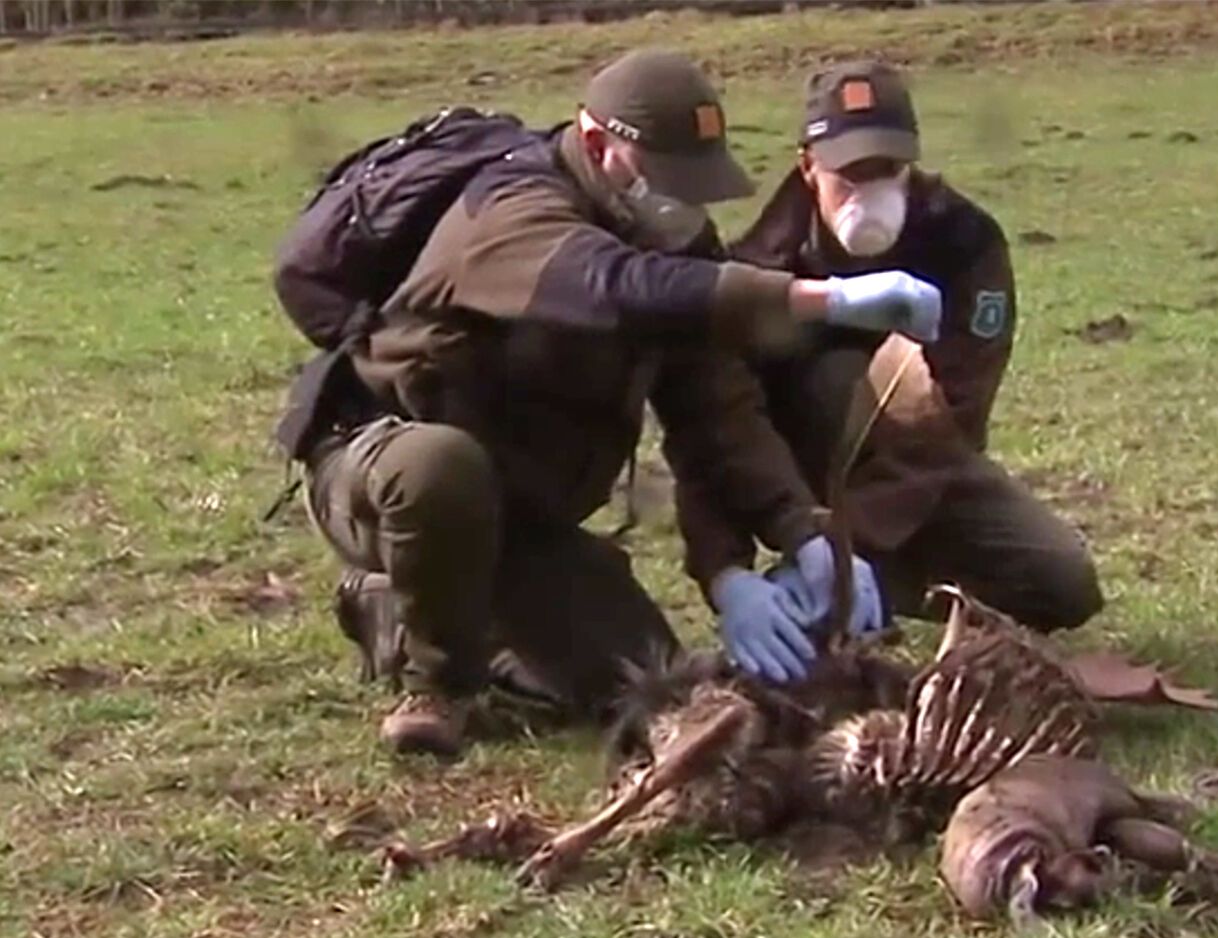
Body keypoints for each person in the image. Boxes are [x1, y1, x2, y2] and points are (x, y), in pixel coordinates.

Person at [285, 49, 938, 755]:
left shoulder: (670, 233)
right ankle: (438, 684)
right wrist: (821, 300)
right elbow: (613, 285)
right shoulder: (512, 211)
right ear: (599, 145)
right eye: (668, 179)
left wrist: (800, 534)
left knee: (648, 681)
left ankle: (406, 611)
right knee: (438, 466)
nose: (685, 204)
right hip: (385, 476)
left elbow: (715, 412)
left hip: (524, 514)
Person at [670, 60, 1102, 675]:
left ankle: (867, 588)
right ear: (807, 167)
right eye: (848, 176)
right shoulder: (758, 265)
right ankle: (803, 593)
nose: (867, 195)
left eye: (888, 172)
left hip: (917, 466)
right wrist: (725, 573)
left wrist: (853, 544)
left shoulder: (963, 244)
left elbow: (954, 415)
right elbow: (715, 426)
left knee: (1061, 580)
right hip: (789, 477)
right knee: (827, 382)